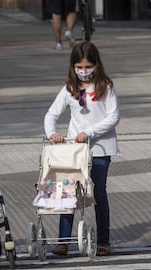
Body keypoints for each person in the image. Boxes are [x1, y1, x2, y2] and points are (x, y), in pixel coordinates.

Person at [44, 42, 120, 256]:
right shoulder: (69, 89)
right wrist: (52, 134)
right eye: (79, 67)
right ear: (72, 66)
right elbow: (51, 114)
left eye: (88, 67)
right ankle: (64, 240)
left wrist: (91, 132)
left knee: (99, 193)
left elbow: (113, 117)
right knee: (68, 191)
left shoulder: (106, 87)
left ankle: (104, 240)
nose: (84, 72)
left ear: (96, 65)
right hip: (75, 150)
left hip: (100, 148)